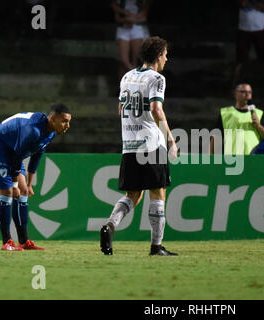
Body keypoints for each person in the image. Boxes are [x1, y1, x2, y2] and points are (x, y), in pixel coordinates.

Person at [100, 36, 178, 256]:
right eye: (165, 54)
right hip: (151, 143)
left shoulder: (127, 76)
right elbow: (156, 109)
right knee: (158, 191)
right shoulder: (157, 79)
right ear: (157, 55)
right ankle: (156, 246)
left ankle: (110, 225)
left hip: (130, 144)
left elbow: (120, 109)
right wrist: (170, 139)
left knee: (133, 194)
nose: (167, 58)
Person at [0, 104, 72, 251]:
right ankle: (7, 242)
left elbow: (37, 154)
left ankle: (23, 241)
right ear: (52, 118)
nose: (67, 125)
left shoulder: (50, 131)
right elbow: (17, 156)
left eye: (68, 121)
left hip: (13, 150)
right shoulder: (33, 130)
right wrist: (14, 184)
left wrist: (29, 183)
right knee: (7, 192)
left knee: (23, 191)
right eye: (64, 121)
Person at [232, 0, 264, 98]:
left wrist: (250, 3)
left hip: (261, 29)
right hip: (244, 30)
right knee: (239, 61)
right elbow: (241, 3)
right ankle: (232, 88)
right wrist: (259, 5)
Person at [210, 83, 264, 155]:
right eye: (243, 92)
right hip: (231, 157)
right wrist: (211, 156)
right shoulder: (225, 113)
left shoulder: (258, 113)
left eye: (249, 92)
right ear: (235, 93)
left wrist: (258, 125)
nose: (247, 94)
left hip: (253, 156)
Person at [110, 0, 151, 83]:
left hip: (136, 29)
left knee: (135, 59)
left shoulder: (141, 3)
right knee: (123, 60)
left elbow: (143, 17)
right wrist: (126, 18)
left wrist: (132, 19)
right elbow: (117, 17)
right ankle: (136, 77)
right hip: (123, 29)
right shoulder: (120, 3)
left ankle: (133, 85)